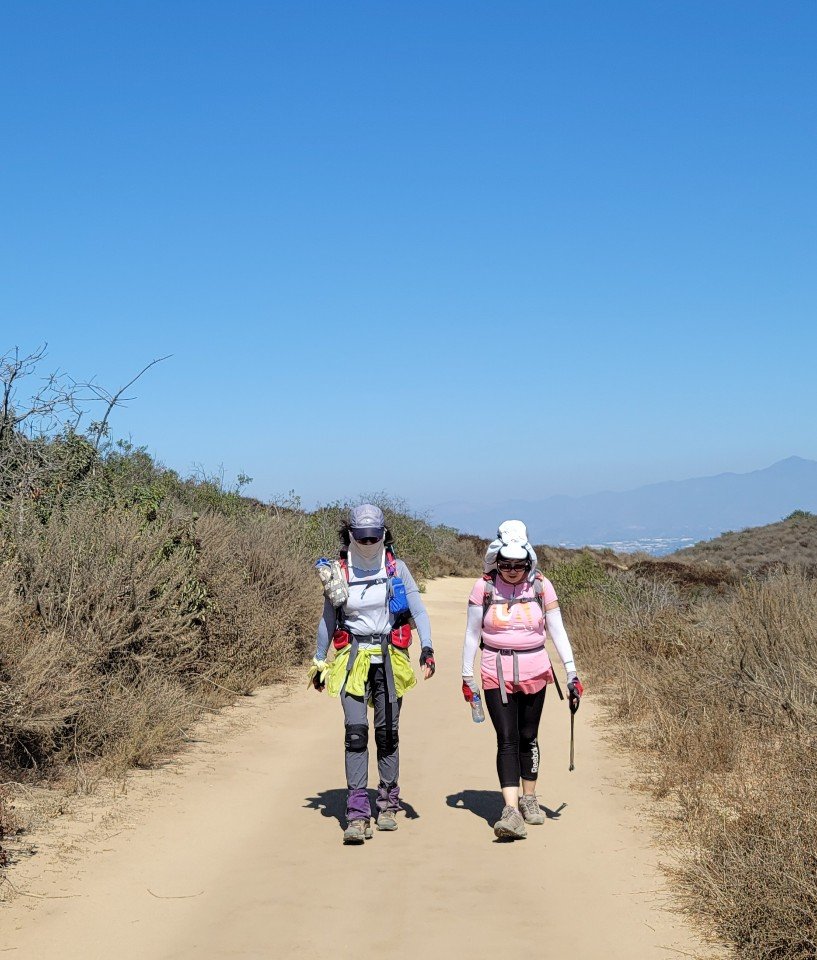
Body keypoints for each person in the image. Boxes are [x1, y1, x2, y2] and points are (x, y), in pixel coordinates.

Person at [310, 504, 435, 845]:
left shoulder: (397, 568)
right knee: (355, 733)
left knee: (387, 734)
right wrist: (319, 661)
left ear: (383, 534)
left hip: (389, 658)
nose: (368, 543)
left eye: (374, 537)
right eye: (362, 537)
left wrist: (427, 648)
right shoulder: (338, 571)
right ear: (350, 534)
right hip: (352, 658)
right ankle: (357, 813)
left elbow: (419, 610)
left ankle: (388, 803)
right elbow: (328, 619)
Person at [461, 520, 583, 840]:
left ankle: (529, 798)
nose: (512, 571)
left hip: (535, 670)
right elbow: (472, 634)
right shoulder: (483, 588)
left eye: (519, 565)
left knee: (528, 736)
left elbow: (557, 631)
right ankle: (511, 810)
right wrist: (467, 675)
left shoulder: (542, 586)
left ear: (529, 562)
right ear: (496, 561)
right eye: (506, 564)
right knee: (507, 737)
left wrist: (571, 673)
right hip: (495, 670)